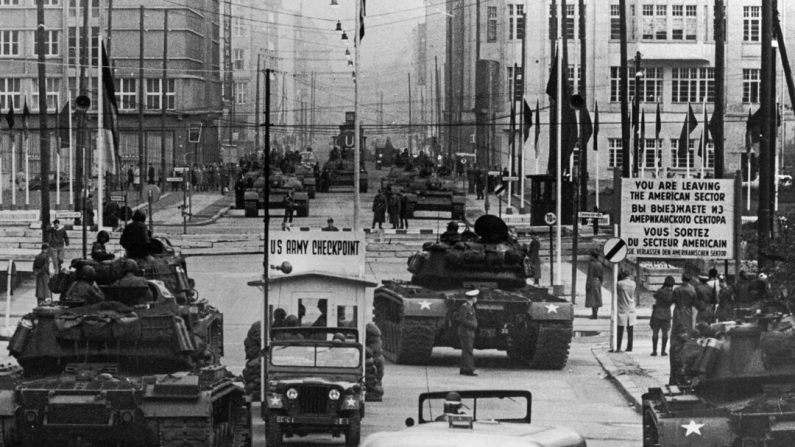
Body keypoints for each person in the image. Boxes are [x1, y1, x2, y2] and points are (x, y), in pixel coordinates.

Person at [669, 274, 702, 385]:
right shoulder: (692, 290)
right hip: (687, 316)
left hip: (678, 316)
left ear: (682, 279)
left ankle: (673, 377)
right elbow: (696, 304)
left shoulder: (677, 290)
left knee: (674, 345)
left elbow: (670, 301)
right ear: (690, 279)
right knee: (685, 343)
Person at [454, 289, 479, 376]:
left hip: (469, 332)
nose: (476, 298)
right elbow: (461, 319)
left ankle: (464, 369)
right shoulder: (465, 307)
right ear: (472, 298)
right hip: (466, 332)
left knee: (466, 350)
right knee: (468, 350)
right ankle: (469, 370)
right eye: (475, 297)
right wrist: (472, 324)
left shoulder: (470, 306)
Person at [651, 276, 675, 356]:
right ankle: (663, 351)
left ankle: (654, 351)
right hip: (667, 314)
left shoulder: (660, 291)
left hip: (657, 313)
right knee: (665, 333)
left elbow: (655, 295)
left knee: (655, 333)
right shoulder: (672, 293)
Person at [615, 270, 636, 352]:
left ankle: (618, 346)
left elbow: (617, 293)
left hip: (622, 307)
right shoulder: (633, 283)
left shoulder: (620, 284)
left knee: (620, 329)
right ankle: (630, 347)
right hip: (631, 307)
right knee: (630, 329)